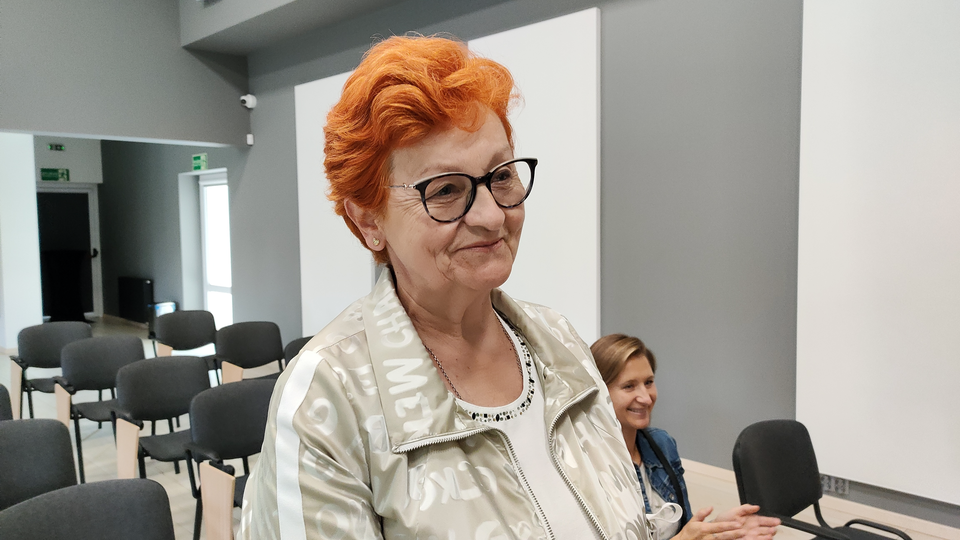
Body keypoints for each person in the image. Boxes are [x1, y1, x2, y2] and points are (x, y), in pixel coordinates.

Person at [240, 35, 653, 540]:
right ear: (368, 220)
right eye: (446, 190)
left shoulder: (559, 341)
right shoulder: (328, 401)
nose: (492, 216)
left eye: (501, 175)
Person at [590, 334, 782, 540]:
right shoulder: (584, 468)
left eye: (649, 382)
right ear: (599, 392)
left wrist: (718, 531)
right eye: (629, 386)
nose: (646, 398)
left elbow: (685, 529)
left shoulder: (662, 445)